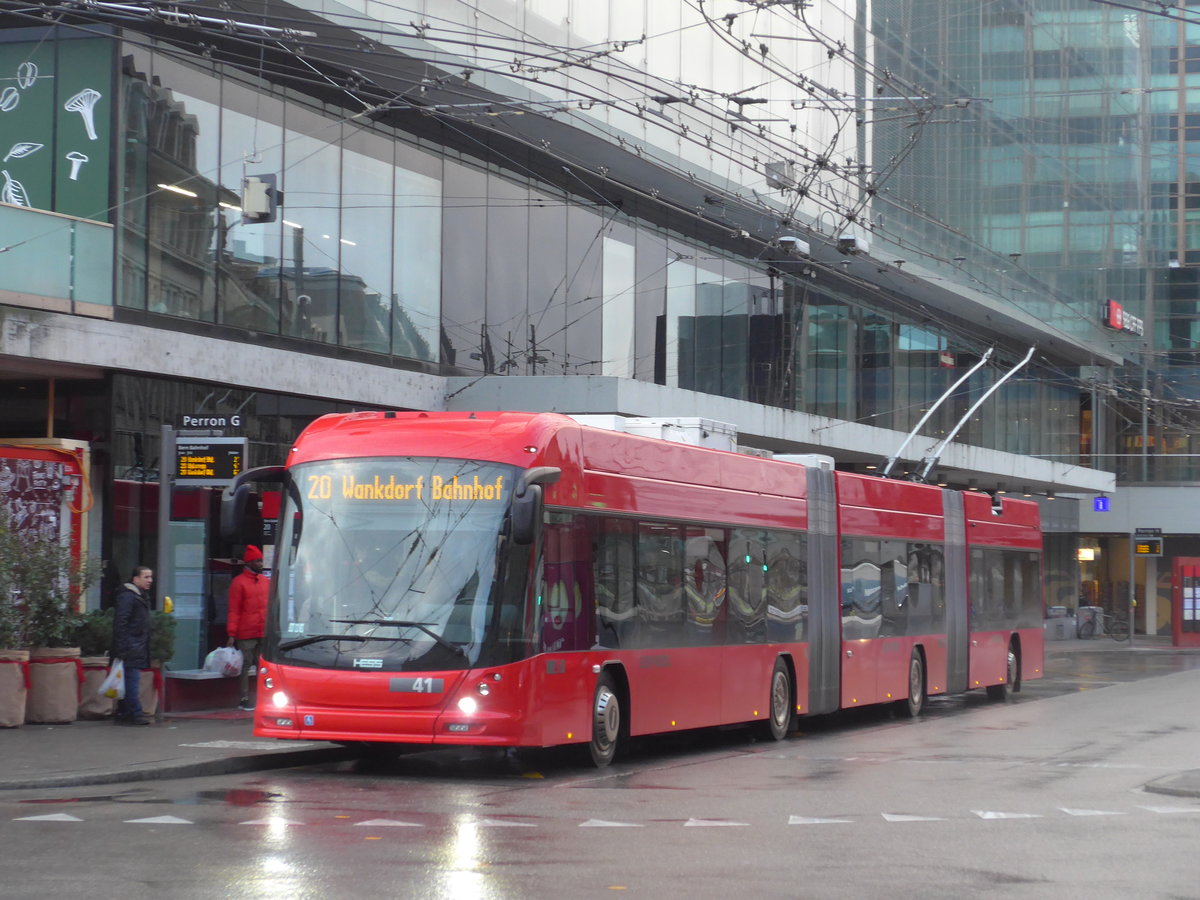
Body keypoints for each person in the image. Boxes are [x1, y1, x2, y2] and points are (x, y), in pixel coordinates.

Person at [228, 545, 269, 710]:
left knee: (263, 666)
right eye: (258, 561)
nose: (261, 564)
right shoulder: (239, 583)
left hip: (262, 630)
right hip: (246, 632)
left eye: (261, 561)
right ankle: (244, 697)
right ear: (250, 562)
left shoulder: (265, 581)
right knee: (245, 665)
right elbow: (234, 609)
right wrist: (232, 633)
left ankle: (263, 696)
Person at [112, 566, 154, 726]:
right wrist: (122, 646)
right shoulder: (129, 596)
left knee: (128, 679)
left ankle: (124, 711)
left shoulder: (138, 596)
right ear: (135, 579)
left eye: (151, 577)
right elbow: (121, 622)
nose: (150, 580)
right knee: (132, 680)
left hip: (135, 644)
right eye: (146, 577)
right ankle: (135, 713)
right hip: (131, 645)